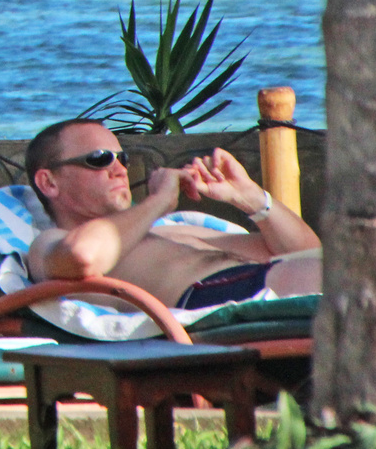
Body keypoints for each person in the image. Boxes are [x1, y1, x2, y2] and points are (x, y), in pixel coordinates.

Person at [24, 119, 322, 309]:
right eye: (99, 159)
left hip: (258, 285)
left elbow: (305, 251)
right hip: (218, 302)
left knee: (345, 265)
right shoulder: (50, 242)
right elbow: (82, 256)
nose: (120, 169)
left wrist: (252, 199)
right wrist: (160, 201)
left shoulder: (175, 231)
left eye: (121, 158)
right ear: (49, 182)